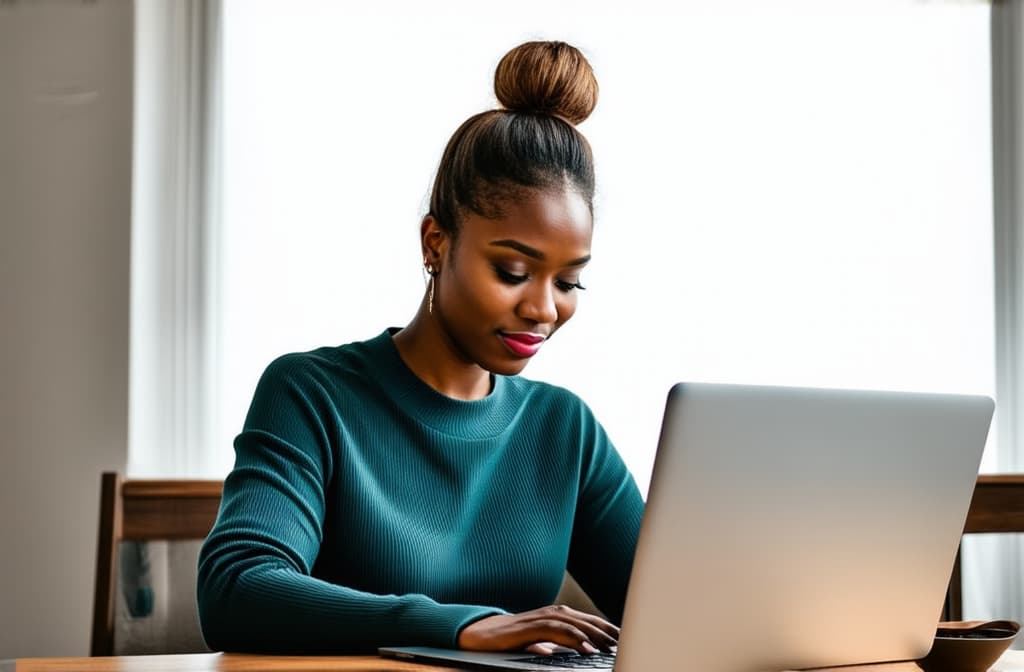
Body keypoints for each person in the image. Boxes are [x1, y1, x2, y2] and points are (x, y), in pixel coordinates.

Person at [196, 39, 644, 655]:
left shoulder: (563, 427)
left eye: (569, 282)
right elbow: (237, 590)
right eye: (513, 270)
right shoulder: (312, 394)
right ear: (436, 243)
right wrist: (456, 627)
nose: (544, 308)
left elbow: (678, 609)